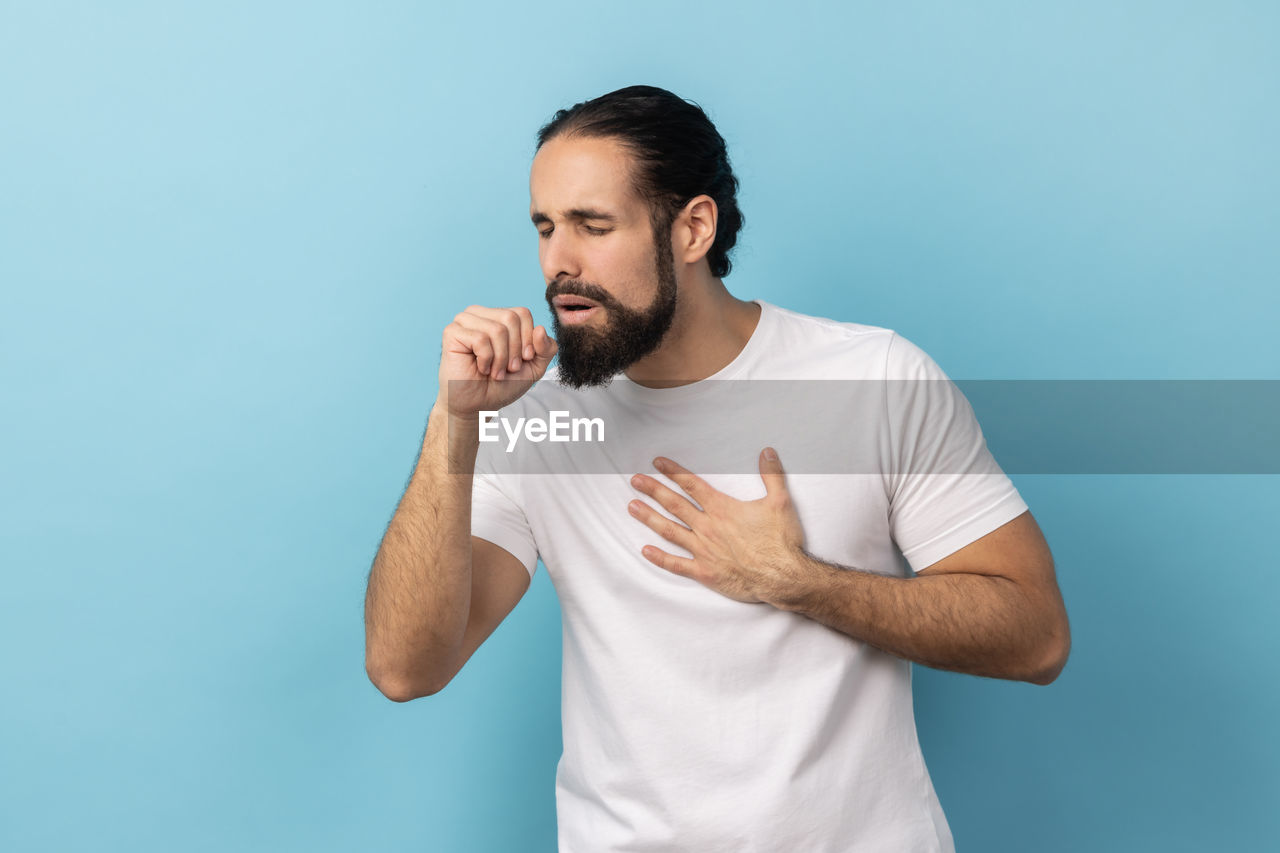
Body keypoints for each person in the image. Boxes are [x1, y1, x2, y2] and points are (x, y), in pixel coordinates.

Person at [364, 85, 1071, 852]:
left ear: (693, 228)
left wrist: (800, 581)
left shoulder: (872, 378)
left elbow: (1034, 637)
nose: (557, 264)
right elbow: (407, 666)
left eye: (593, 226)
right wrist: (455, 420)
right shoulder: (534, 415)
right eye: (545, 227)